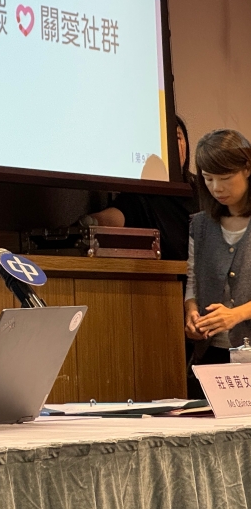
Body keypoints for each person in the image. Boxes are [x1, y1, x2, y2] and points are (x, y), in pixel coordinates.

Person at [184, 129, 251, 379]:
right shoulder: (201, 225)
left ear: (247, 168)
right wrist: (191, 311)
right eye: (208, 178)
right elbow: (193, 281)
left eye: (225, 177)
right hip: (212, 353)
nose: (216, 188)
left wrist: (236, 315)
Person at [81, 115, 197, 260]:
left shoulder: (203, 187)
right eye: (165, 140)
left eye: (178, 137)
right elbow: (112, 218)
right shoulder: (140, 196)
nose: (172, 146)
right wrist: (88, 223)